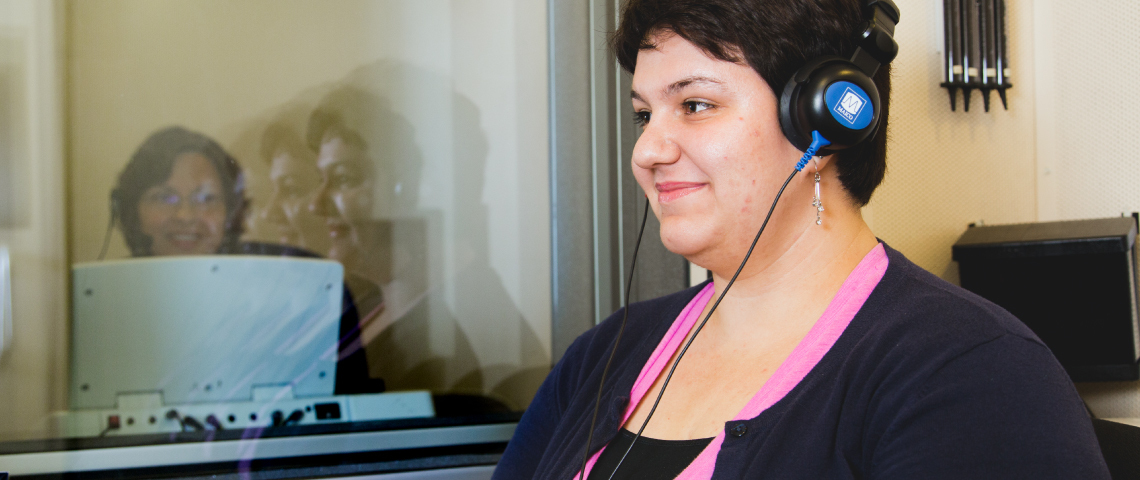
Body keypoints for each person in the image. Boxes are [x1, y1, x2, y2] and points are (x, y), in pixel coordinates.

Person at [494, 0, 1110, 479]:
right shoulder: (603, 356)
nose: (648, 151)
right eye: (643, 114)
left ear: (826, 119)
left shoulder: (973, 374)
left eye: (697, 105)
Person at [113, 126, 246, 257]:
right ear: (132, 210)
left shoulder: (259, 276)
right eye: (164, 198)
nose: (184, 217)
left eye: (205, 199)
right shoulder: (108, 279)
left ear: (231, 212)